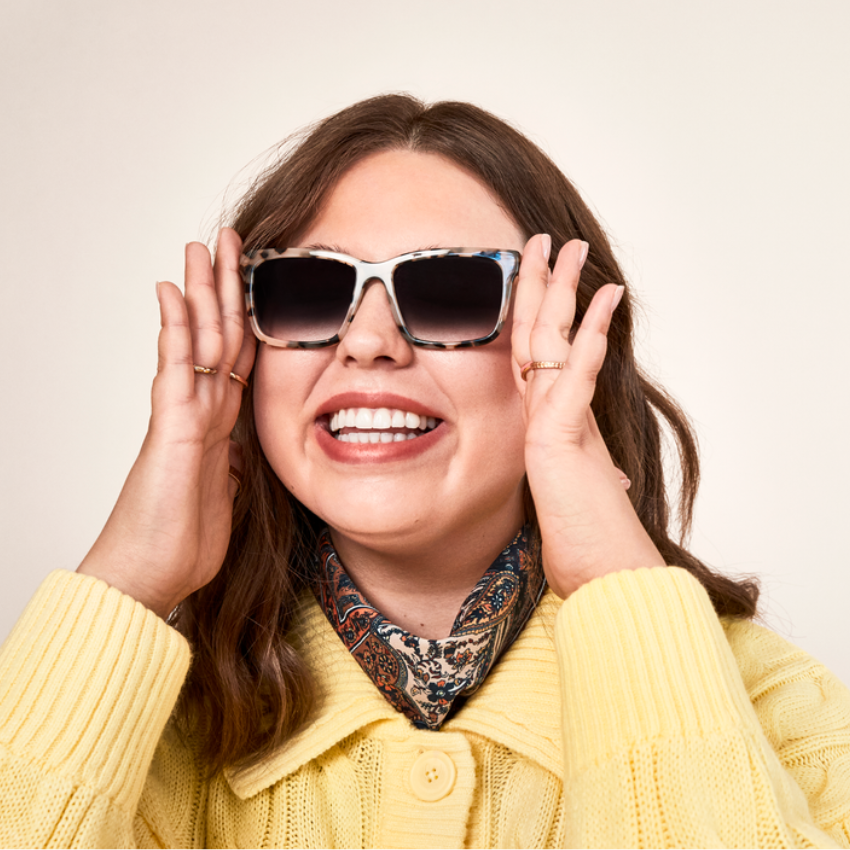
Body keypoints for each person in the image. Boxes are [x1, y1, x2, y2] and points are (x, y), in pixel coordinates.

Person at [1, 94, 848, 849]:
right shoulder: (132, 735)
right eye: (308, 290)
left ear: (570, 341)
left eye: (450, 290)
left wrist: (619, 588)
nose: (369, 340)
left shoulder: (784, 714)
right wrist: (123, 584)